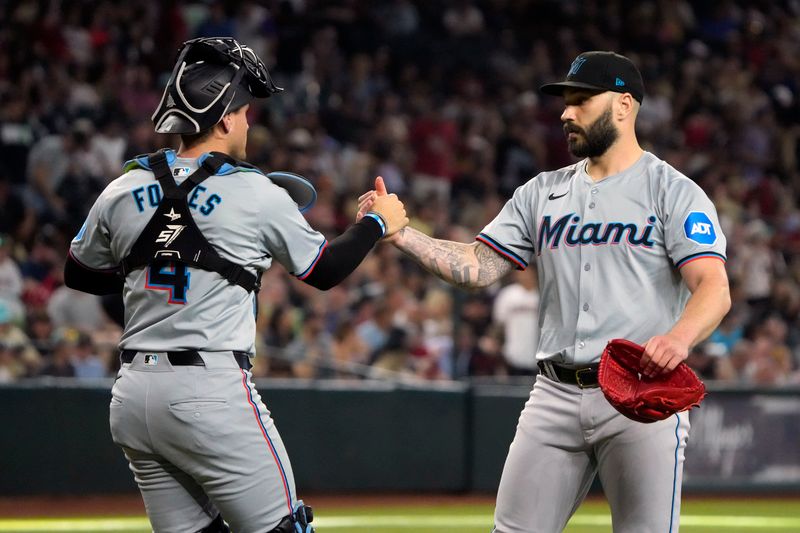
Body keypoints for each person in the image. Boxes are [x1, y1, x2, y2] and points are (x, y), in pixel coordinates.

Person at [359, 51, 730, 532]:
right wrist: (403, 236)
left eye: (581, 100)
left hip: (640, 395)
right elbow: (479, 265)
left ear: (623, 105)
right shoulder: (541, 192)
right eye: (565, 101)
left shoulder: (672, 191)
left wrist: (679, 338)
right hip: (553, 393)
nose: (565, 113)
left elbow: (714, 287)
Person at [64, 37, 407, 533]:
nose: (248, 121)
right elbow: (324, 272)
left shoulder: (122, 187)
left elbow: (79, 273)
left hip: (133, 396)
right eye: (245, 112)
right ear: (225, 117)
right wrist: (377, 223)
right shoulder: (254, 191)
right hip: (209, 391)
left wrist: (159, 257)